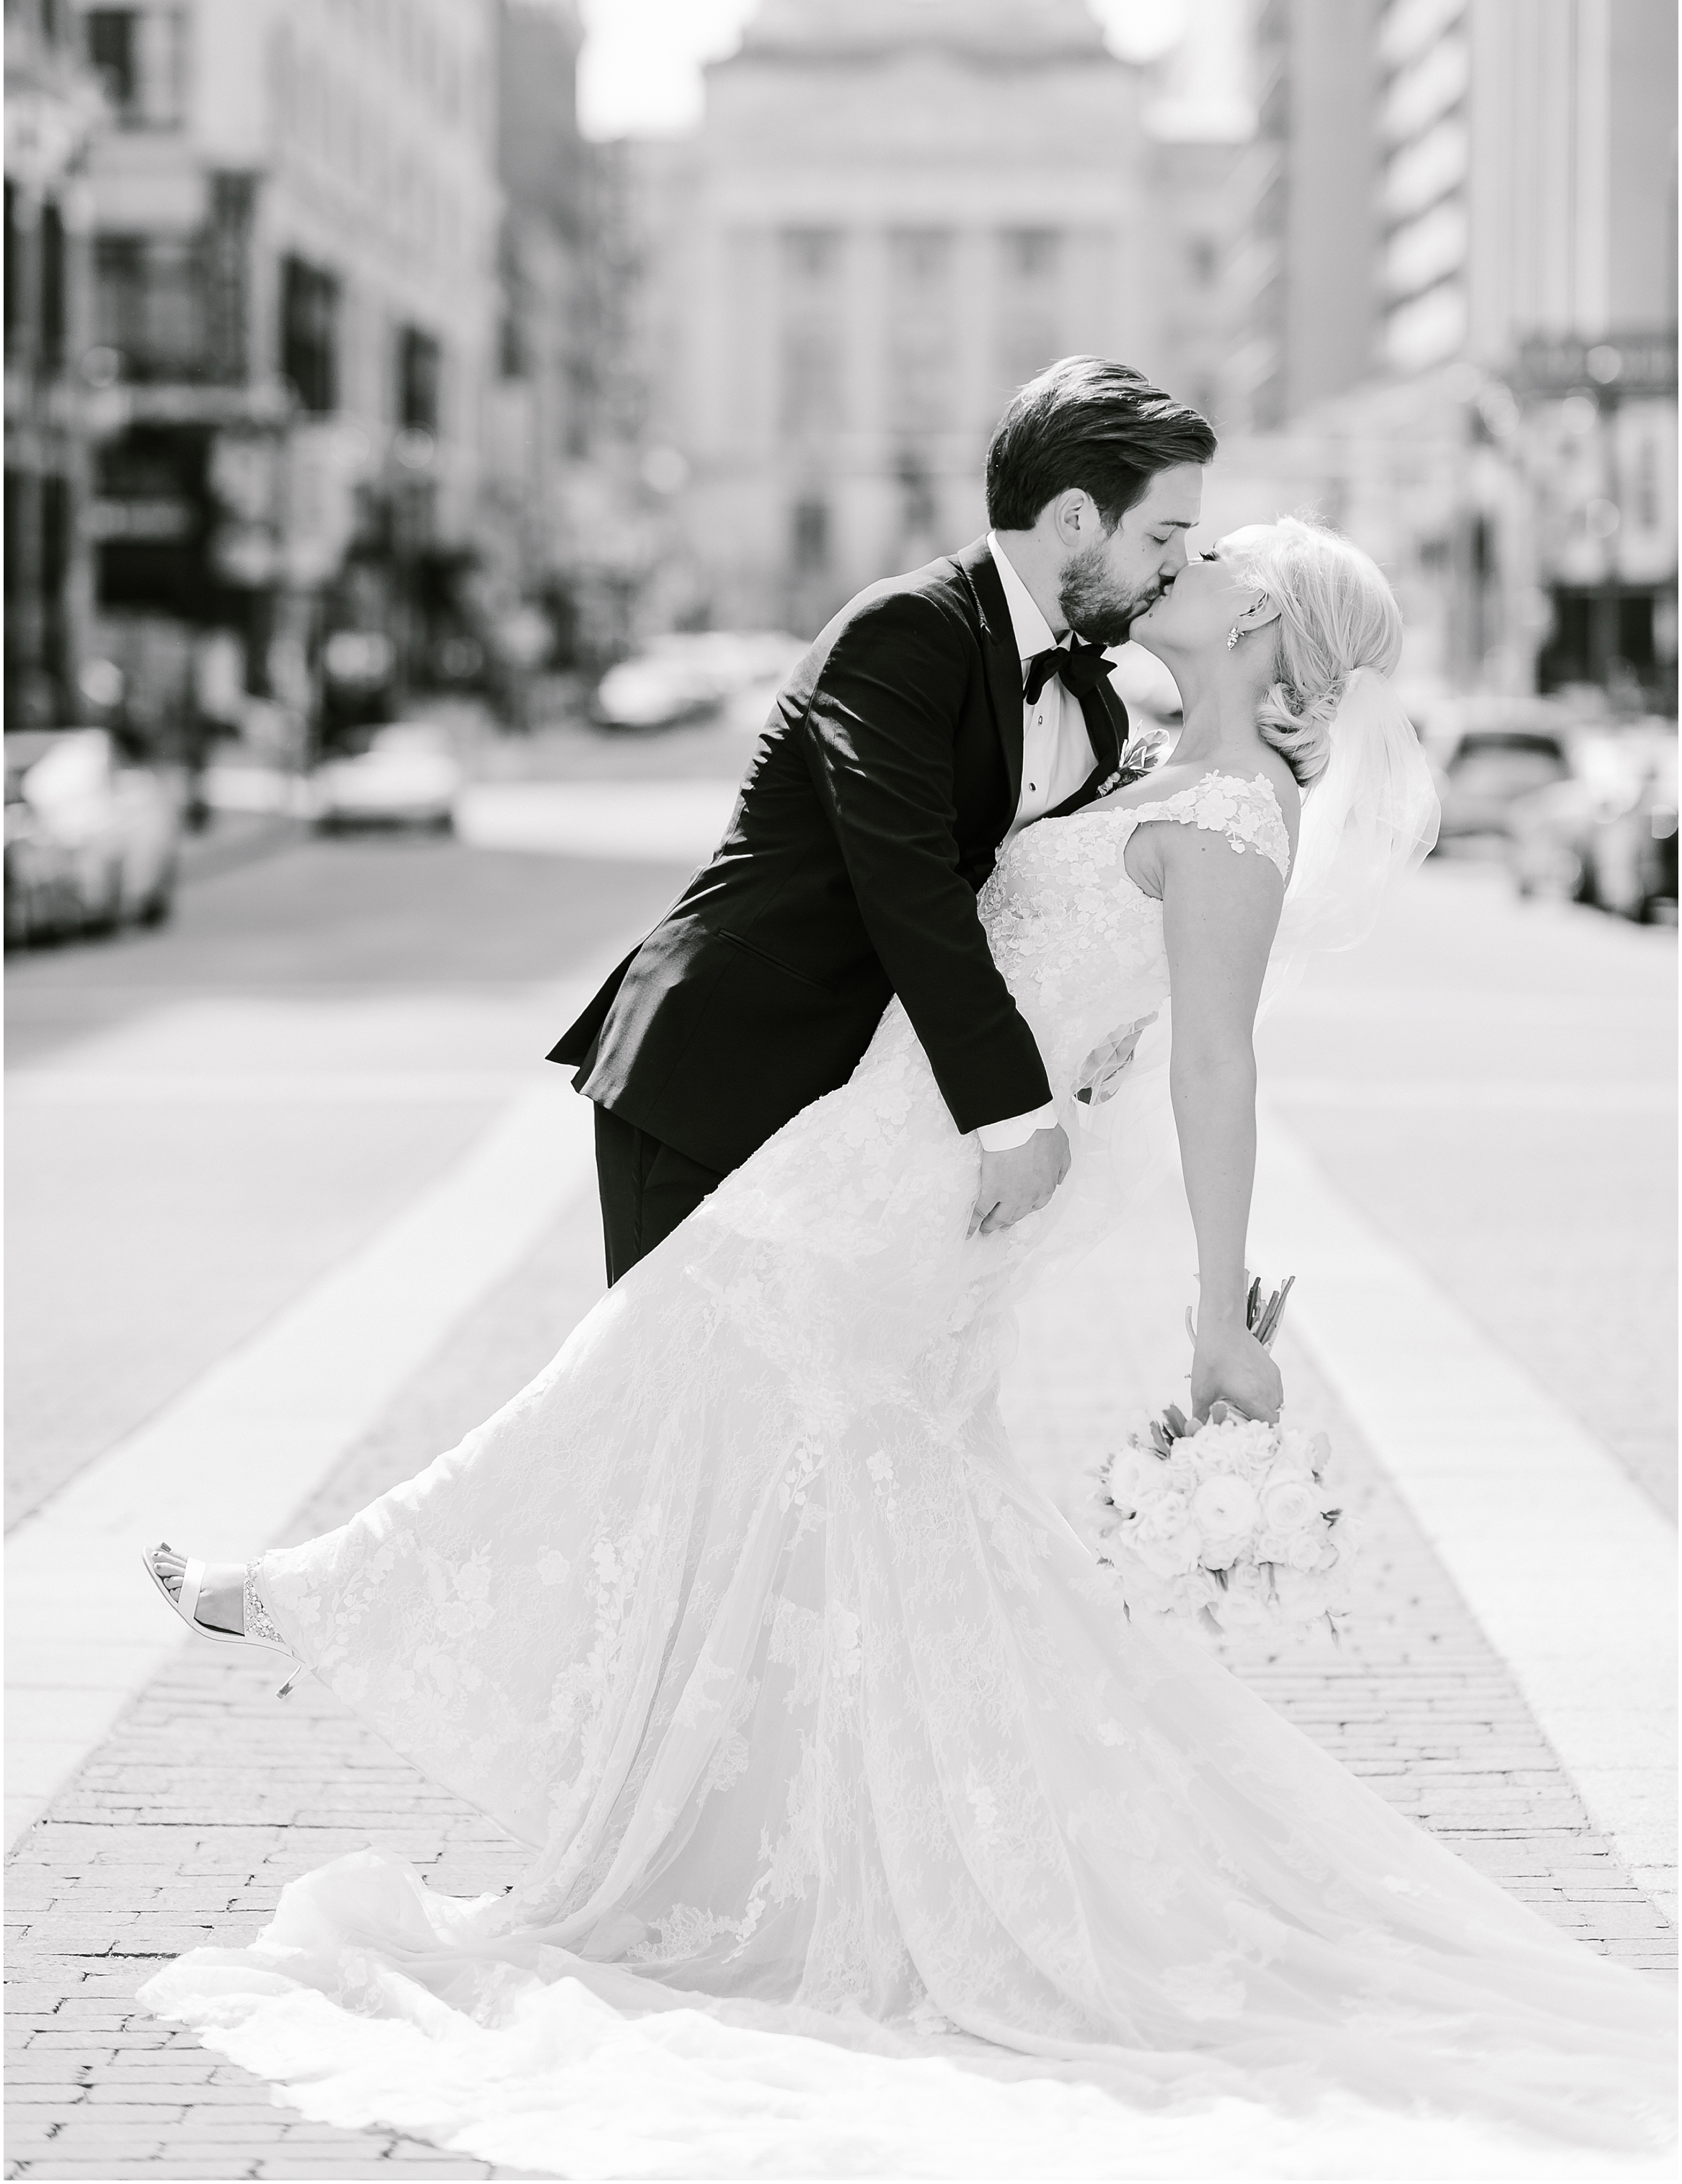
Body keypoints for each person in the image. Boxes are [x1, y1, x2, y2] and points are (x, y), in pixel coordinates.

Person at [141, 481, 1671, 2172]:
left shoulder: (1236, 816)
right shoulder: (1155, 765)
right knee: (791, 1461)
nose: (1182, 556)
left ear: (1254, 625)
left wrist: (1218, 1320)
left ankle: (318, 1588)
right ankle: (775, 1834)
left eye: (1214, 555)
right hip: (880, 1148)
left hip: (921, 1191)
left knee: (675, 1380)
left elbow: (1220, 1067)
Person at [552, 358, 1226, 1302]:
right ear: (1075, 517)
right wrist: (1012, 1114)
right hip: (725, 1071)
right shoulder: (906, 630)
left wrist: (1095, 1023)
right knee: (676, 1420)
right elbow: (907, 882)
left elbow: (1028, 902)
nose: (1177, 564)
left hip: (863, 1109)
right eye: (1163, 533)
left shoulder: (1097, 705)